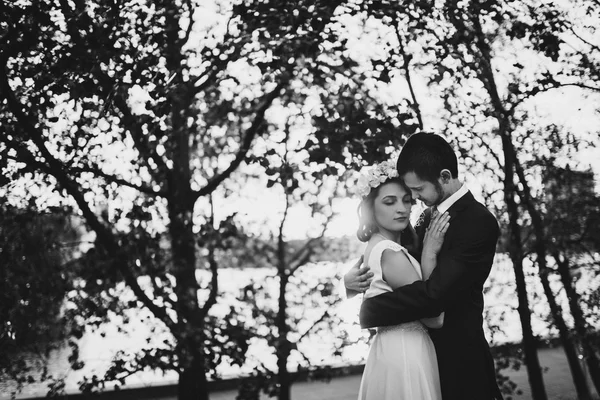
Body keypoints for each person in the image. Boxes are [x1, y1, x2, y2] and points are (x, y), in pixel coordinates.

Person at [345, 132, 503, 400]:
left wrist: (371, 308)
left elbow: (433, 297)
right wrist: (351, 282)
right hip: (420, 355)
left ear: (444, 177)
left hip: (459, 361)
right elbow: (389, 258)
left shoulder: (477, 222)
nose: (414, 200)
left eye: (417, 190)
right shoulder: (428, 215)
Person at [352, 159, 450, 400]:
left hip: (387, 351)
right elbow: (435, 318)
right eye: (389, 201)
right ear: (370, 209)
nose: (402, 209)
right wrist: (429, 255)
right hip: (407, 354)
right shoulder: (391, 254)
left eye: (407, 200)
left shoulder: (373, 247)